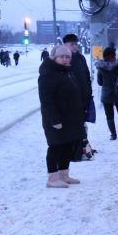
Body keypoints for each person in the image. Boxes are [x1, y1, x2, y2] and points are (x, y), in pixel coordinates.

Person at [38, 44, 84, 188]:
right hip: (56, 119)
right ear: (55, 57)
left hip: (70, 118)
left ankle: (64, 175)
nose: (65, 60)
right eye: (62, 57)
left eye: (67, 57)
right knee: (55, 146)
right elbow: (46, 99)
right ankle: (52, 178)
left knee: (67, 146)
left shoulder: (66, 72)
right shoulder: (48, 73)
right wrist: (54, 119)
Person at [61, 33, 96, 160]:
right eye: (72, 44)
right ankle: (75, 151)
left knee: (82, 125)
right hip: (71, 99)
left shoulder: (81, 58)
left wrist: (89, 92)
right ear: (65, 45)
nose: (75, 46)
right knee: (74, 126)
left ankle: (83, 147)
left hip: (83, 97)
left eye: (76, 44)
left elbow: (86, 76)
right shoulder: (63, 59)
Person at [96, 46, 118, 141]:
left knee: (109, 115)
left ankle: (113, 135)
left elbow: (99, 82)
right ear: (114, 56)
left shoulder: (101, 68)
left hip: (107, 94)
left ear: (104, 56)